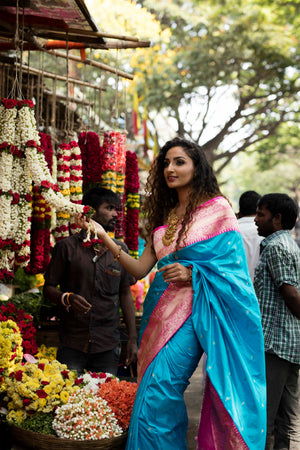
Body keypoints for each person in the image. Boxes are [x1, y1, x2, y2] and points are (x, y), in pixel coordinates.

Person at [76, 137, 266, 450]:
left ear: (197, 168)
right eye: (166, 163)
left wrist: (194, 274)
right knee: (151, 390)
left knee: (162, 387)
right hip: (161, 315)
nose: (170, 169)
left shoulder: (217, 210)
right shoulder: (165, 219)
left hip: (197, 312)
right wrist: (104, 236)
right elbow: (138, 270)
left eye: (179, 162)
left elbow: (235, 273)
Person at [43, 187, 137, 376]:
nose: (114, 214)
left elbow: (125, 294)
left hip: (107, 344)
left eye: (116, 209)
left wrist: (133, 339)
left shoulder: (120, 250)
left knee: (105, 400)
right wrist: (67, 298)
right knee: (68, 400)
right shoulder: (66, 248)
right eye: (109, 208)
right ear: (90, 211)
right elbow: (48, 289)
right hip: (72, 342)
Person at [254, 193, 300, 450]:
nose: (256, 220)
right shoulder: (287, 243)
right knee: (288, 416)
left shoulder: (275, 247)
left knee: (266, 417)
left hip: (275, 344)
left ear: (278, 218)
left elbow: (291, 293)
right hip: (288, 343)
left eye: (261, 214)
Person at [237, 190, 263, 281]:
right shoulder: (267, 232)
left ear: (240, 210)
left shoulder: (231, 231)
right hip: (261, 291)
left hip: (235, 290)